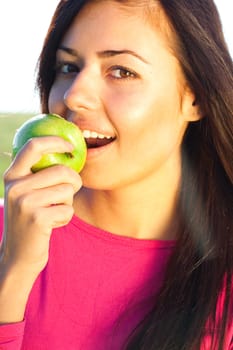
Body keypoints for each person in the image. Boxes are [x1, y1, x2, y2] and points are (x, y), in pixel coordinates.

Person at [0, 0, 232, 349]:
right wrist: (13, 270)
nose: (75, 96)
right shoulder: (9, 232)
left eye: (121, 71)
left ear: (194, 95)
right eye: (68, 66)